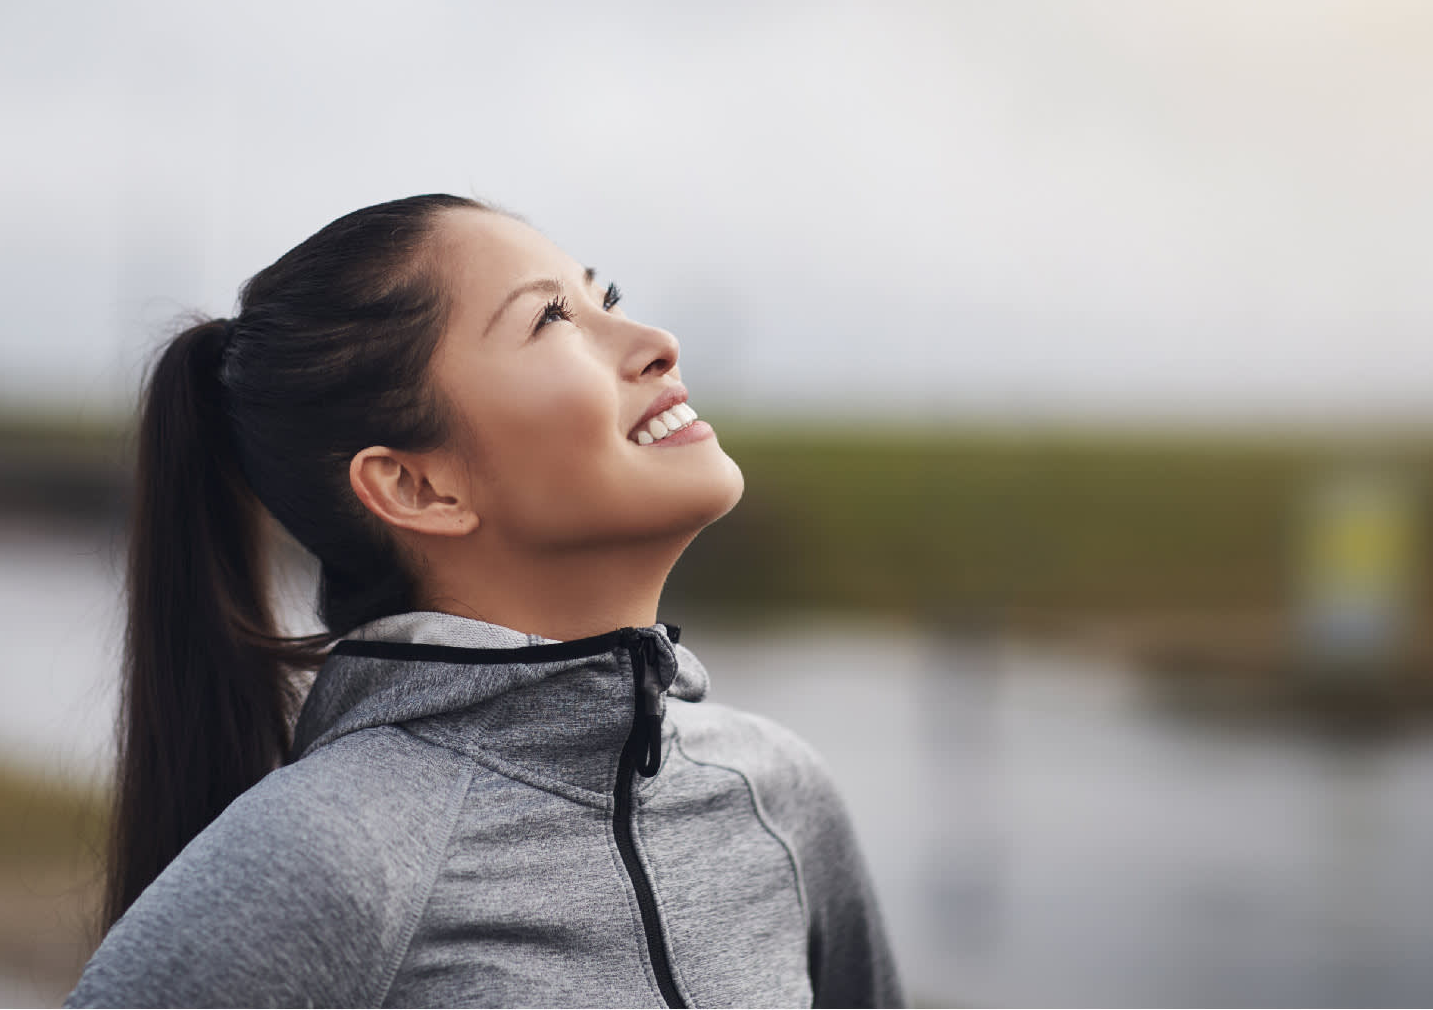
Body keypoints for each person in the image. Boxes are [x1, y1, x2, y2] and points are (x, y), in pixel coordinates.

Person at [62, 194, 903, 1008]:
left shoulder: (777, 793)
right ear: (416, 484)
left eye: (603, 296)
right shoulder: (329, 854)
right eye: (551, 320)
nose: (656, 341)